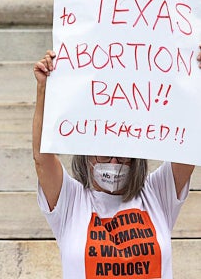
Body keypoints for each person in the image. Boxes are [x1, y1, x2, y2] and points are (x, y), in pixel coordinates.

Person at [33, 49, 200, 278]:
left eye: (122, 155)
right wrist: (43, 89)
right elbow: (42, 158)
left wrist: (196, 79)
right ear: (87, 156)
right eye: (103, 154)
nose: (113, 162)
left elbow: (187, 142)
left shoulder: (157, 193)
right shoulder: (70, 200)